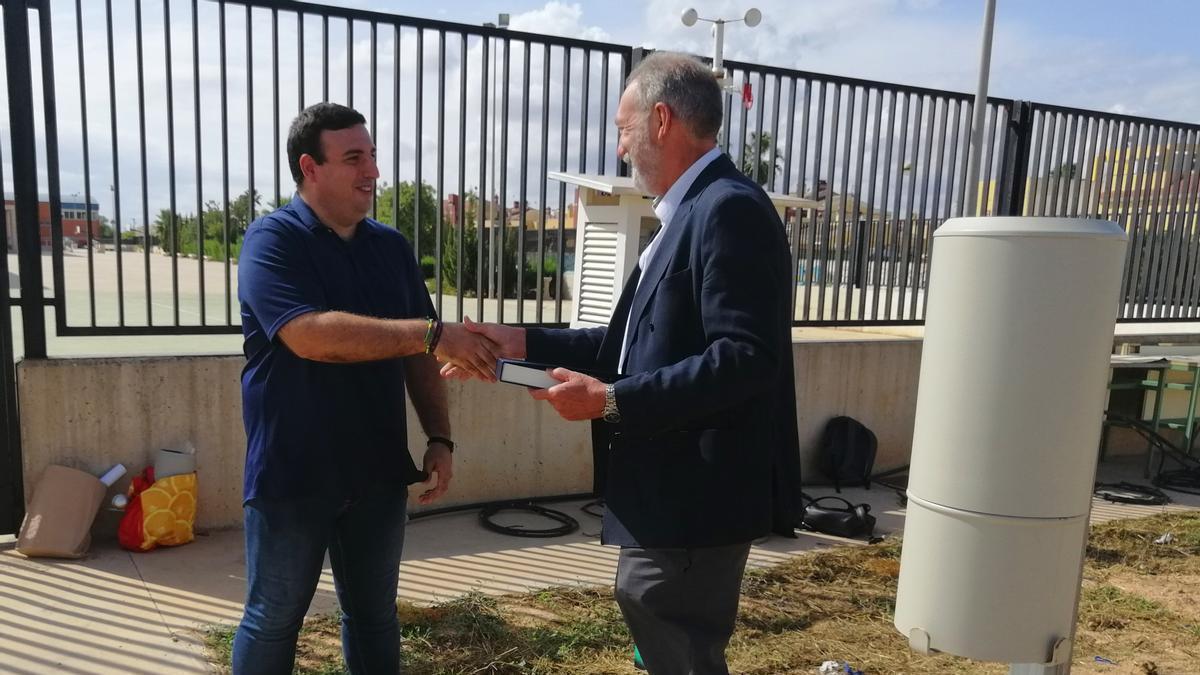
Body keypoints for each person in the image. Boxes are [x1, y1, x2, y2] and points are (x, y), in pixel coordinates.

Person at [449, 53, 802, 674]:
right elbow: (625, 348)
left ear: (661, 120)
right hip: (670, 492)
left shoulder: (727, 209)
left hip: (697, 497)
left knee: (668, 626)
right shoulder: (686, 215)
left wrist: (613, 401)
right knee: (655, 625)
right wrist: (521, 343)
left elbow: (746, 358)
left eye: (622, 128)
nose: (620, 149)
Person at [232, 102, 497, 675]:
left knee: (374, 615)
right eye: (354, 158)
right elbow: (308, 335)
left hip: (376, 472)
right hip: (293, 474)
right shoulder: (271, 241)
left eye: (372, 155)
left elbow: (424, 354)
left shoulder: (390, 248)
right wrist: (429, 333)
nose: (372, 171)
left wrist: (440, 437)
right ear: (310, 167)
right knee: (273, 618)